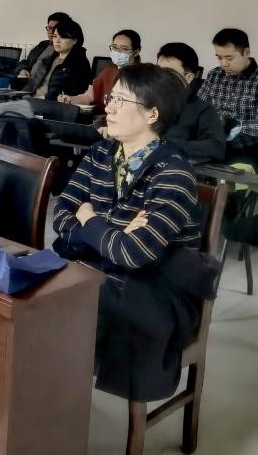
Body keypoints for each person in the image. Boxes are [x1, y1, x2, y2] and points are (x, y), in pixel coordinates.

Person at [51, 63, 203, 402]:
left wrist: (90, 219)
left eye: (121, 101)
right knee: (34, 295)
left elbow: (134, 254)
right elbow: (61, 216)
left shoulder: (173, 173)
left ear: (152, 114)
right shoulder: (101, 153)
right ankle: (51, 401)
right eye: (111, 98)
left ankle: (57, 406)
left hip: (156, 287)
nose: (109, 107)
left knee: (58, 314)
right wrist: (115, 228)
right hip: (100, 270)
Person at [197, 28, 258, 168]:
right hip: (212, 145)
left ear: (246, 53)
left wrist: (233, 125)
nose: (224, 64)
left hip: (247, 152)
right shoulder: (215, 75)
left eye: (229, 58)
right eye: (219, 58)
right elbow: (198, 108)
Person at [157, 42, 226, 164]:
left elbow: (216, 148)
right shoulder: (145, 101)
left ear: (188, 77)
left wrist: (168, 144)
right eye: (158, 70)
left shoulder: (202, 109)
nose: (160, 77)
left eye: (168, 72)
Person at [21, 16, 92, 102]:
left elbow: (73, 95)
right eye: (55, 36)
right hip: (32, 101)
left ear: (75, 40)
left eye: (63, 37)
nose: (57, 41)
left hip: (51, 105)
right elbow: (31, 86)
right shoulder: (47, 60)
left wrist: (45, 98)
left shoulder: (80, 64)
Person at [73, 29, 142, 111]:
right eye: (115, 47)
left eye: (124, 49)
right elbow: (91, 95)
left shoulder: (142, 76)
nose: (117, 52)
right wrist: (71, 100)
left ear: (135, 52)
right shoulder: (107, 71)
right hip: (103, 116)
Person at [17, 12, 72, 77]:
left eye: (55, 28)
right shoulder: (43, 44)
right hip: (26, 79)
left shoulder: (66, 51)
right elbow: (26, 62)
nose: (50, 32)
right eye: (49, 28)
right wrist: (23, 69)